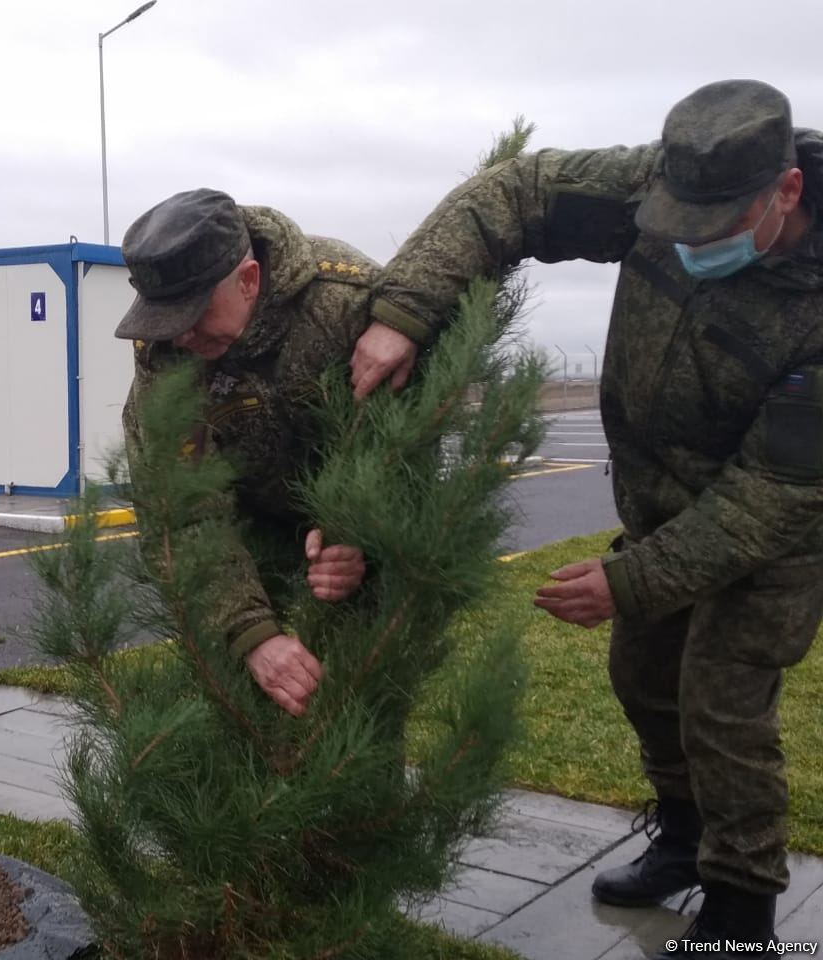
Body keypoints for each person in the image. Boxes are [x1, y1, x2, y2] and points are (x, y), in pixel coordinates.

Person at [350, 80, 823, 958]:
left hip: (776, 532)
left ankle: (743, 905)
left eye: (709, 229)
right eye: (671, 223)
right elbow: (511, 192)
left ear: (785, 194)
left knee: (722, 703)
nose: (682, 246)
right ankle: (682, 839)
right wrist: (405, 313)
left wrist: (629, 578)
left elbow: (773, 494)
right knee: (643, 674)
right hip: (658, 504)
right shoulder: (657, 186)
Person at [116, 188, 373, 719]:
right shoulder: (165, 348)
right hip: (243, 539)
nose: (179, 336)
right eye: (165, 318)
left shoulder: (345, 301)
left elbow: (411, 435)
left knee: (359, 715)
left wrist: (363, 529)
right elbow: (178, 506)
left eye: (192, 313)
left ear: (249, 280)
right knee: (244, 714)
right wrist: (249, 632)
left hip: (355, 522)